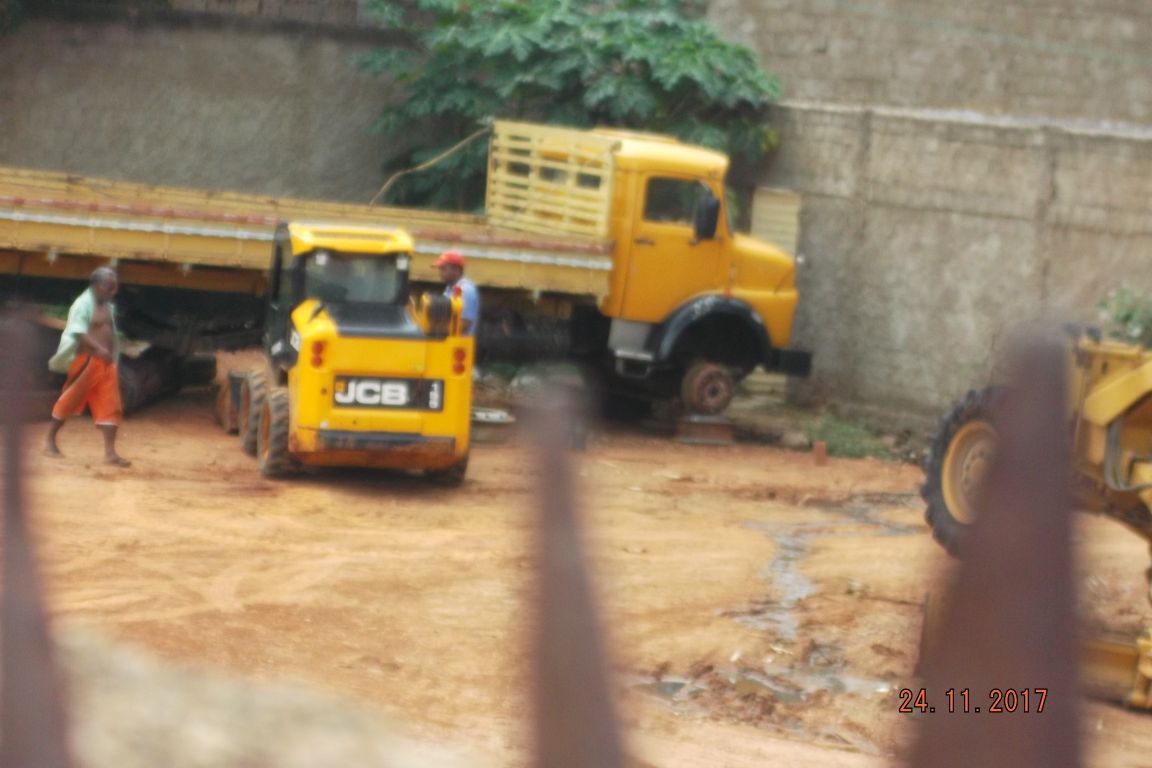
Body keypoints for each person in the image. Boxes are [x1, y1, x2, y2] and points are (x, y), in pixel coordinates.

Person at [43, 266, 131, 467]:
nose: (112, 292)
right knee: (69, 400)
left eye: (114, 288)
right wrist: (98, 348)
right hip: (87, 362)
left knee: (111, 406)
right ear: (96, 286)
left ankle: (110, 453)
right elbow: (78, 331)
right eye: (109, 287)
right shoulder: (82, 305)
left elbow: (109, 331)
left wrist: (108, 353)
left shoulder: (109, 307)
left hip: (107, 364)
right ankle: (49, 440)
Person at [432, 249, 480, 336]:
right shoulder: (450, 288)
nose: (440, 273)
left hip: (458, 343)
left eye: (443, 269)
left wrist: (435, 330)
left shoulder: (466, 290)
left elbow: (465, 323)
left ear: (456, 270)